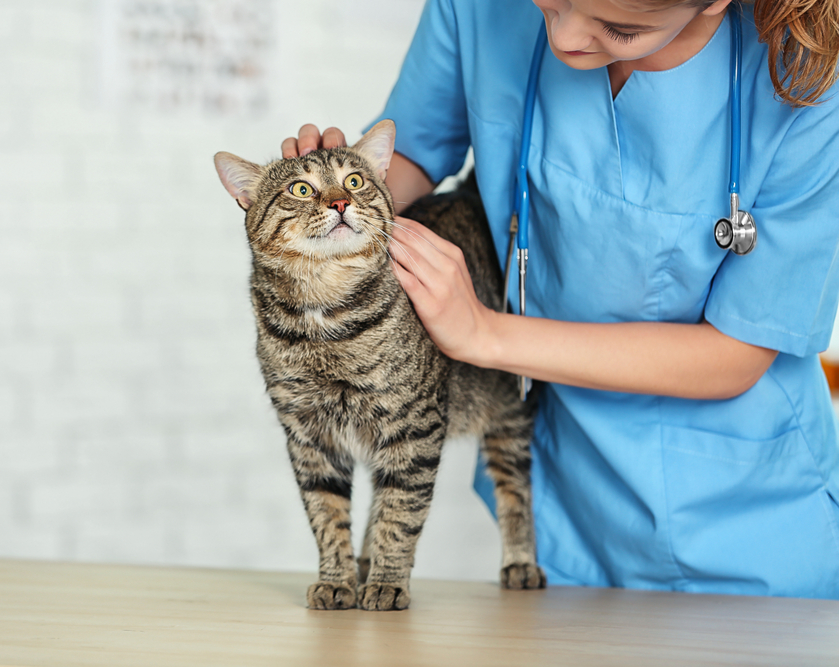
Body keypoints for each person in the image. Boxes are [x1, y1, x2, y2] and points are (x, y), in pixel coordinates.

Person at [281, 0, 839, 598]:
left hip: (751, 527)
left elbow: (738, 351)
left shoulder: (809, 83)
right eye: (547, 0)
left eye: (620, 28)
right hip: (562, 512)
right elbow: (412, 151)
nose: (565, 38)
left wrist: (484, 334)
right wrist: (336, 200)